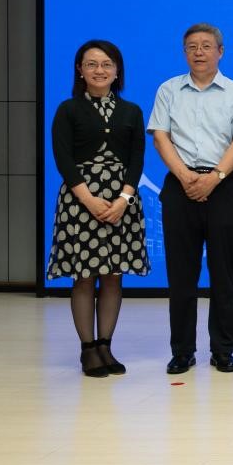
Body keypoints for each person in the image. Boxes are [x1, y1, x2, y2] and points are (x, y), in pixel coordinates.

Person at [148, 23, 233, 374]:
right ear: (184, 52)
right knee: (181, 274)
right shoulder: (168, 90)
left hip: (224, 186)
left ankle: (223, 350)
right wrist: (185, 176)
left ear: (220, 52)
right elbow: (160, 137)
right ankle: (182, 351)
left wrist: (214, 179)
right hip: (180, 185)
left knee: (224, 273)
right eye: (192, 46)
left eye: (206, 46)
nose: (199, 52)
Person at [49, 40, 150, 377]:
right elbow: (63, 159)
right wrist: (89, 199)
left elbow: (137, 160)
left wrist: (123, 200)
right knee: (84, 276)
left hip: (121, 201)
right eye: (91, 64)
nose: (99, 70)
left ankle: (105, 345)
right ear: (80, 70)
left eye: (107, 64)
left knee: (112, 275)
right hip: (80, 201)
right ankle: (88, 349)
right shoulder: (68, 109)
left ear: (117, 71)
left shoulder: (131, 111)